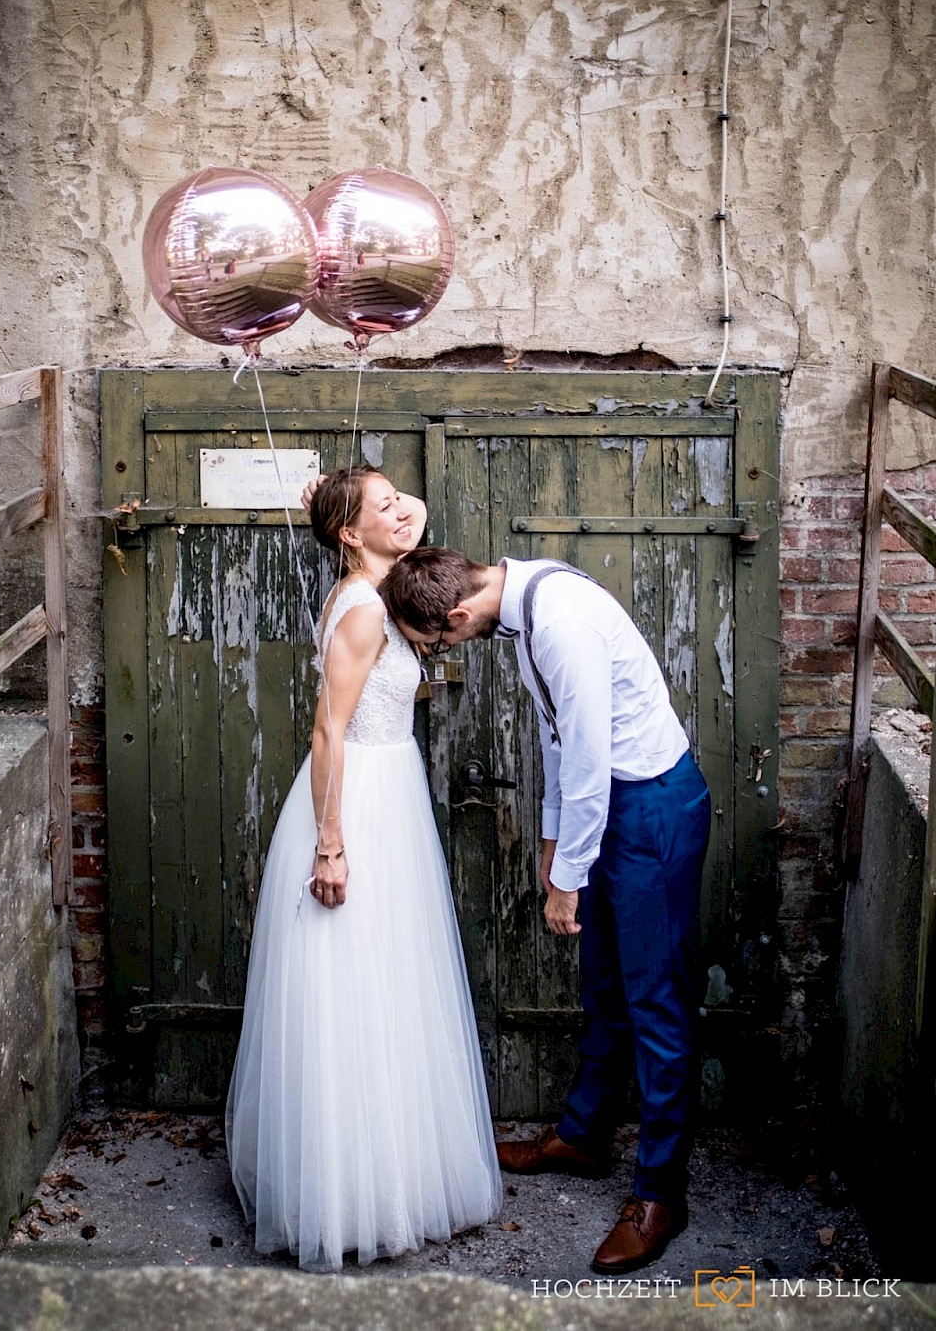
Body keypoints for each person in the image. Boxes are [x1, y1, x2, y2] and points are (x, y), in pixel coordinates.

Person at [378, 546, 711, 1274]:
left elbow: (591, 758)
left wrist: (566, 882)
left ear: (459, 613)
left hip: (649, 809)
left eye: (438, 641)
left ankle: (661, 1193)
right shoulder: (524, 608)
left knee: (657, 1004)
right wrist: (557, 841)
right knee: (602, 988)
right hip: (607, 809)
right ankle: (585, 1136)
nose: (441, 652)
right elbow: (557, 738)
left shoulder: (558, 621)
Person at [225, 471, 500, 1271]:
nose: (403, 511)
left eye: (397, 499)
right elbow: (326, 733)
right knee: (351, 988)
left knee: (389, 987)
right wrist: (331, 843)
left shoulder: (385, 583)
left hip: (394, 795)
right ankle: (341, 1194)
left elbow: (413, 513)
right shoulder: (362, 608)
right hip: (359, 806)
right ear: (351, 537)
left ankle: (395, 1176)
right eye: (382, 507)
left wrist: (350, 494)